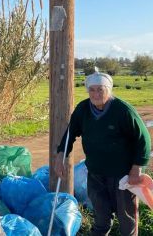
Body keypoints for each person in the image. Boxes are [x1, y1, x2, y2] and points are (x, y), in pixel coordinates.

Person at [54, 69, 151, 235]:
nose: (96, 93)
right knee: (101, 217)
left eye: (100, 89)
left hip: (122, 175)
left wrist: (136, 168)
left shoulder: (123, 111)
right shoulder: (83, 109)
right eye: (92, 89)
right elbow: (71, 132)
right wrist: (60, 155)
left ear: (109, 90)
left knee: (127, 219)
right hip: (95, 173)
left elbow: (143, 139)